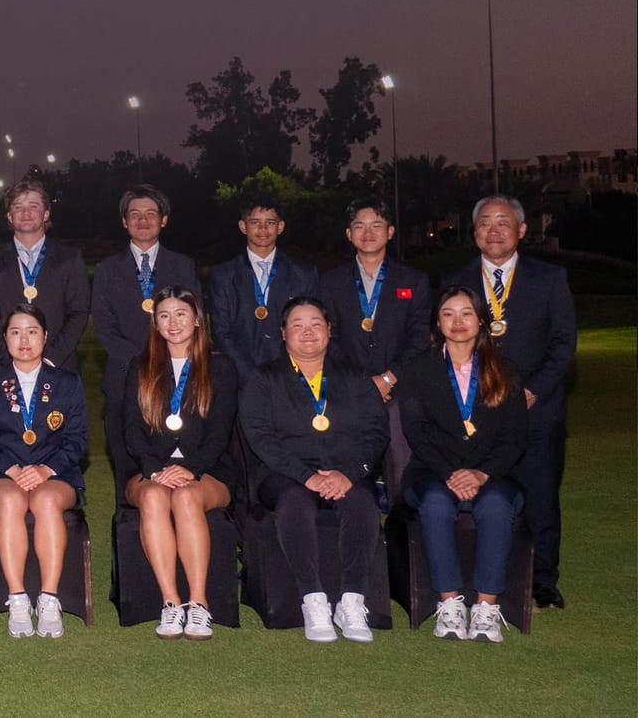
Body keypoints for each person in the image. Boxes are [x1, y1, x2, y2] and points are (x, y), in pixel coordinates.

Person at [439, 194, 576, 610]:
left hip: (536, 411)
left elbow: (563, 344)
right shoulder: (455, 278)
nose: (494, 230)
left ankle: (543, 582)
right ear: (474, 232)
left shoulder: (549, 278)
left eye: (503, 222)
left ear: (521, 230)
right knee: (482, 494)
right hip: (475, 413)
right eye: (485, 222)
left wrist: (531, 392)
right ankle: (481, 578)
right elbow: (443, 340)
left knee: (540, 495)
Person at [238, 297, 388, 644]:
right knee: (294, 500)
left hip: (345, 473)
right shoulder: (264, 379)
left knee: (362, 502)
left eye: (316, 324)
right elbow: (260, 437)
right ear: (283, 333)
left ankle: (352, 601)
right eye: (297, 324)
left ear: (329, 330)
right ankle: (313, 599)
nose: (307, 332)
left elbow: (376, 432)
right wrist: (305, 475)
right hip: (284, 475)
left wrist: (348, 473)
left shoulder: (354, 376)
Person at [402, 287, 528, 642]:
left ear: (482, 321)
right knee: (437, 503)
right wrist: (451, 473)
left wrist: (481, 473)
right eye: (448, 314)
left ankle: (486, 608)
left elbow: (516, 436)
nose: (457, 321)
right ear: (437, 322)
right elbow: (417, 432)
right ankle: (450, 605)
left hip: (494, 472)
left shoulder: (505, 370)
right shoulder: (418, 369)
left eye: (466, 313)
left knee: (494, 505)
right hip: (432, 471)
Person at [119, 287, 239, 640]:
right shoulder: (140, 367)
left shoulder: (220, 366)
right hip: (150, 470)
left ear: (198, 320)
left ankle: (198, 604)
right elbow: (131, 429)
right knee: (154, 496)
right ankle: (170, 603)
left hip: (207, 471)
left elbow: (220, 432)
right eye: (164, 316)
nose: (173, 322)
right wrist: (154, 469)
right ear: (155, 324)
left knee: (186, 497)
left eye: (181, 314)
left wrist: (192, 467)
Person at [0, 305, 88, 639]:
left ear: (45, 337)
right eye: (16, 332)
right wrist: (12, 469)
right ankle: (18, 599)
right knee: (11, 501)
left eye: (32, 331)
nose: (24, 340)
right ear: (5, 338)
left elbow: (78, 439)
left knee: (46, 501)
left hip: (56, 474)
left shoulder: (67, 383)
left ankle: (49, 599)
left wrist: (46, 469)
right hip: (3, 472)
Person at [318, 196, 432, 492]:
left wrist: (388, 378)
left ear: (390, 232)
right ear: (348, 233)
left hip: (399, 390)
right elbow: (329, 337)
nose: (368, 233)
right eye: (360, 226)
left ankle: (400, 519)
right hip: (349, 390)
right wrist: (364, 383)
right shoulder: (330, 282)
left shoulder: (414, 280)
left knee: (400, 468)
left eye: (377, 225)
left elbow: (420, 337)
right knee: (353, 469)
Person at [91, 185, 201, 480]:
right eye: (135, 214)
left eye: (151, 213)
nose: (143, 220)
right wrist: (144, 362)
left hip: (177, 378)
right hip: (124, 377)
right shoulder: (106, 269)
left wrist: (165, 361)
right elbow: (103, 325)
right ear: (124, 221)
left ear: (163, 220)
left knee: (176, 466)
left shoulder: (183, 266)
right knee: (126, 467)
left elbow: (195, 318)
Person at [0, 178, 90, 371]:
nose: (26, 213)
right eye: (18, 207)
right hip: (8, 369)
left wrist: (51, 360)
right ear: (9, 216)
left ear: (46, 214)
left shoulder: (70, 259)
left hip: (59, 368)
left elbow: (78, 313)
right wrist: (11, 361)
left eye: (33, 206)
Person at [209, 198, 316, 378]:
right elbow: (221, 332)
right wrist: (249, 374)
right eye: (255, 222)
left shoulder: (304, 274)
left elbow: (310, 328)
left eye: (270, 222)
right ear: (243, 226)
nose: (263, 229)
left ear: (280, 227)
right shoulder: (223, 275)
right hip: (241, 378)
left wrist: (290, 371)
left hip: (292, 375)